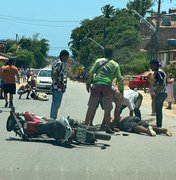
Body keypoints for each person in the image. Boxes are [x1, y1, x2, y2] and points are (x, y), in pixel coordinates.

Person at [84, 47, 124, 134]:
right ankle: (108, 128)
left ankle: (85, 126)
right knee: (107, 109)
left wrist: (88, 83)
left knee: (91, 107)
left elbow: (91, 72)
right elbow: (120, 78)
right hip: (107, 86)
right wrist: (121, 91)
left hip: (96, 85)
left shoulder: (98, 61)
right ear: (112, 54)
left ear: (104, 53)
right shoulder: (115, 65)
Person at [50, 50, 70, 120]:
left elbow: (53, 73)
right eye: (67, 57)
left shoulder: (56, 62)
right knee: (56, 105)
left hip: (56, 87)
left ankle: (52, 119)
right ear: (63, 56)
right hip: (57, 87)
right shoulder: (60, 63)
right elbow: (55, 73)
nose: (67, 59)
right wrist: (59, 84)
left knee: (55, 104)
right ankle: (52, 120)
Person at [149, 60, 167, 127]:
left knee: (158, 109)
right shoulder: (158, 72)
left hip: (161, 93)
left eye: (151, 65)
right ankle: (158, 124)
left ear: (154, 65)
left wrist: (155, 92)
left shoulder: (159, 72)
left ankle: (159, 125)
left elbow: (161, 83)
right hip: (161, 92)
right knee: (158, 109)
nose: (150, 67)